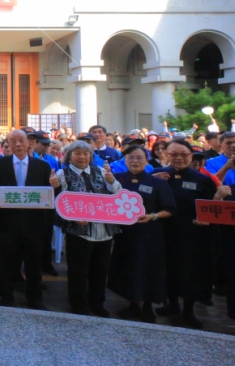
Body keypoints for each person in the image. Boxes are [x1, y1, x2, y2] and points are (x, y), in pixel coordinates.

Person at [152, 139, 229, 328]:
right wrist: (155, 182)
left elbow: (212, 205)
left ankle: (188, 310)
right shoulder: (156, 175)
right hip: (164, 232)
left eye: (184, 154)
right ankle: (171, 305)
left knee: (190, 272)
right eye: (174, 154)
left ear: (190, 156)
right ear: (166, 155)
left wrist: (208, 219)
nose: (179, 158)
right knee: (168, 270)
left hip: (193, 234)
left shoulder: (202, 179)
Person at [0, 130, 57, 311]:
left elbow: (49, 196)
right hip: (8, 222)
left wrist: (55, 187)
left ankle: (34, 298)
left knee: (33, 263)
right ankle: (5, 296)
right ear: (8, 144)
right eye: (13, 141)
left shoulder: (42, 166)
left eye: (21, 140)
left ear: (29, 143)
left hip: (34, 223)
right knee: (6, 262)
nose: (17, 144)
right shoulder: (0, 164)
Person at [53, 141, 121, 317]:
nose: (82, 157)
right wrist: (72, 218)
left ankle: (97, 303)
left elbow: (118, 195)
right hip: (79, 232)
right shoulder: (62, 174)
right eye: (77, 153)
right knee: (78, 271)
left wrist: (111, 180)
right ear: (70, 156)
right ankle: (79, 304)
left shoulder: (101, 171)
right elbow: (60, 203)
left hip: (104, 230)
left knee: (100, 270)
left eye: (86, 153)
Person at [108, 145, 176, 323]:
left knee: (149, 269)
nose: (135, 161)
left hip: (150, 234)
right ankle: (132, 305)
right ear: (125, 160)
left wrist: (153, 216)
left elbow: (170, 209)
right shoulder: (117, 180)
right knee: (127, 268)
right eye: (131, 158)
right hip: (124, 234)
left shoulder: (157, 183)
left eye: (139, 157)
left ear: (147, 160)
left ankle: (147, 307)